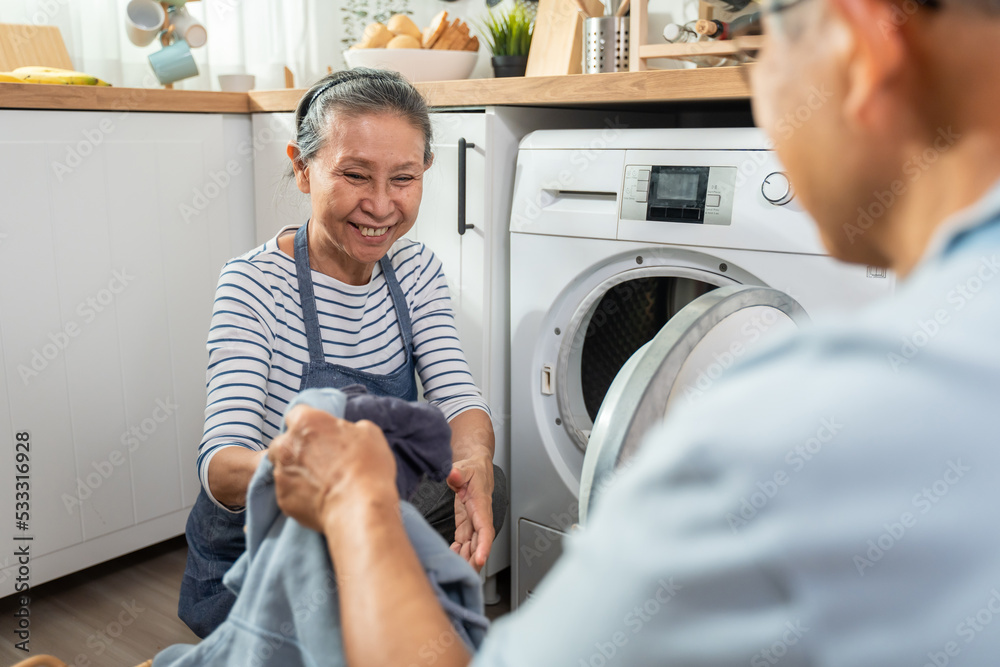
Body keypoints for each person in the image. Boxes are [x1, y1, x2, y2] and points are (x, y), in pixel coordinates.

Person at [266, 0, 1000, 664]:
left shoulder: (776, 437)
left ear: (860, 48)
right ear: (304, 172)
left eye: (755, 48)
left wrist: (352, 498)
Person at [178, 68, 508, 639]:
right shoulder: (254, 285)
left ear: (425, 171)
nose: (380, 206)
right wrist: (335, 482)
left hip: (360, 523)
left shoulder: (417, 272)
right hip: (262, 552)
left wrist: (473, 462)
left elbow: (460, 402)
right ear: (303, 169)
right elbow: (220, 465)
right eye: (355, 175)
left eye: (402, 178)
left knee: (488, 478)